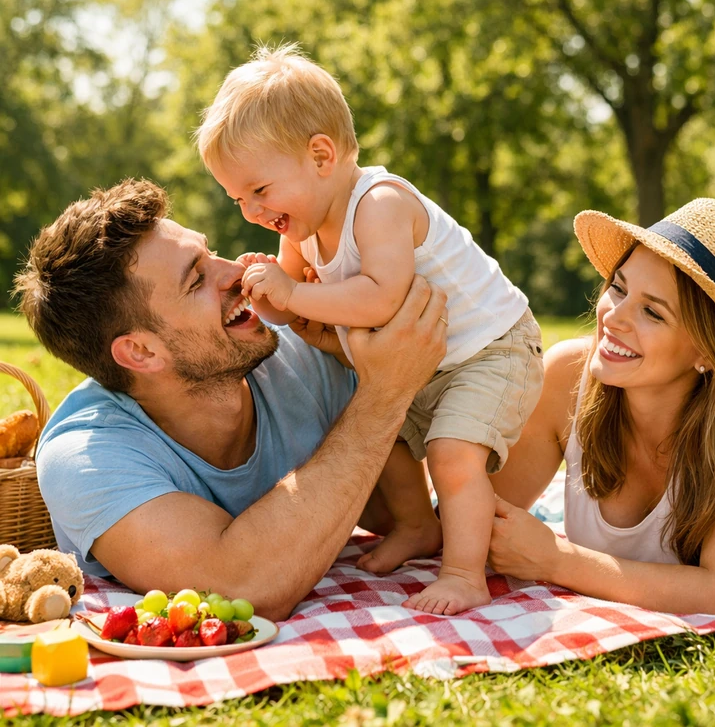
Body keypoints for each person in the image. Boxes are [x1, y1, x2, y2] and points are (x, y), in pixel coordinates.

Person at [195, 44, 544, 616]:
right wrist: (268, 291)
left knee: (452, 453)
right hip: (425, 359)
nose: (250, 211)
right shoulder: (303, 223)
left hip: (491, 350)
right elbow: (291, 304)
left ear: (322, 155)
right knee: (373, 429)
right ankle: (416, 527)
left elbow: (382, 297)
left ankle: (464, 574)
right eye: (237, 198)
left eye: (259, 190)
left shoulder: (379, 204)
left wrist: (295, 292)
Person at [13, 178, 448, 622]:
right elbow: (244, 588)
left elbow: (395, 505)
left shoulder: (307, 348)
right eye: (198, 279)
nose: (237, 273)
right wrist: (384, 393)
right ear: (141, 352)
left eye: (210, 251)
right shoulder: (86, 456)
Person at [488, 198, 715, 616]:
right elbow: (477, 520)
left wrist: (556, 560)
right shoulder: (567, 375)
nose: (614, 317)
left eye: (652, 312)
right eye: (618, 287)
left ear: (707, 352)